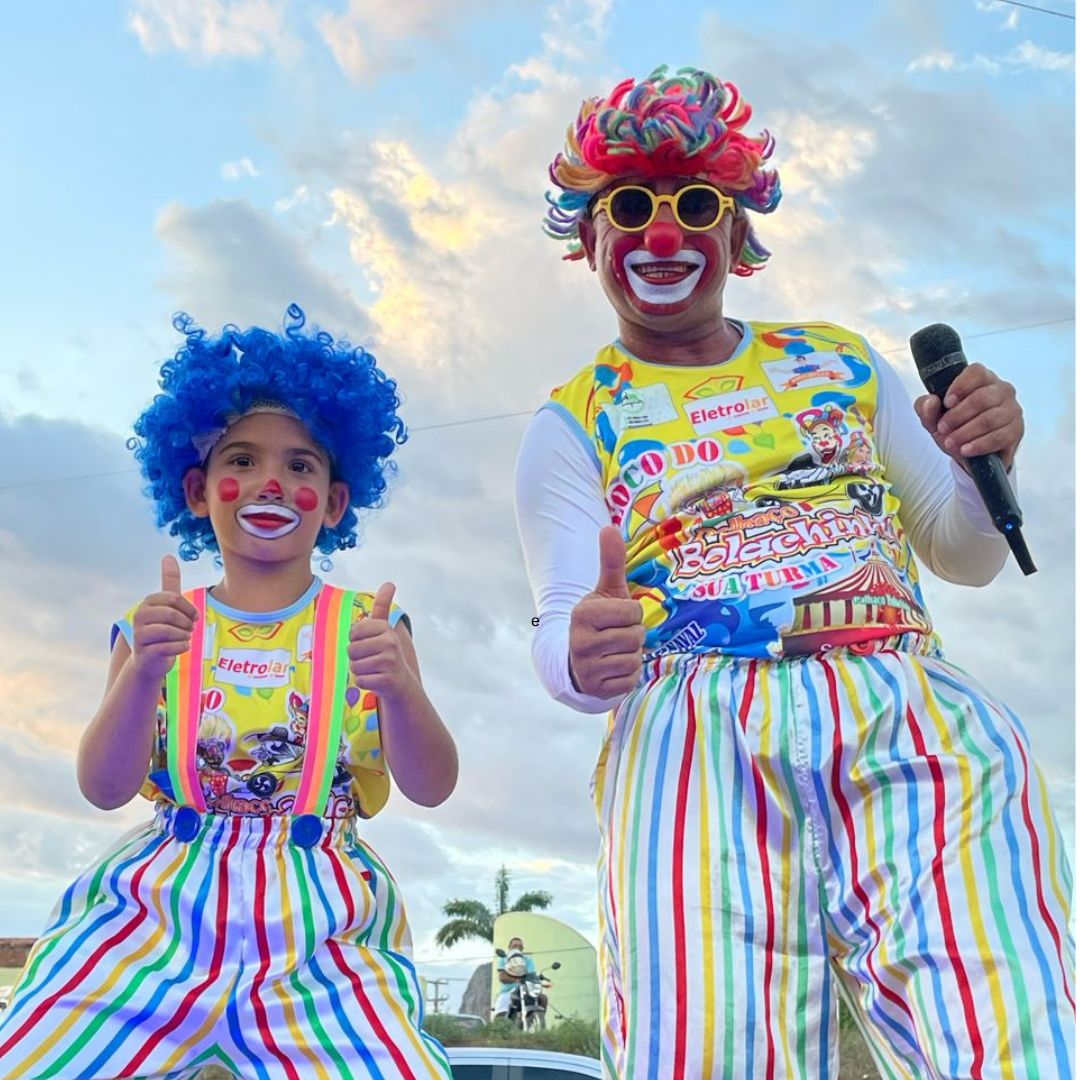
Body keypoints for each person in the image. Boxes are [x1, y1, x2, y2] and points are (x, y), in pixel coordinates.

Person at [515, 66, 1074, 1079]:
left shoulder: (842, 361)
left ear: (737, 232)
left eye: (696, 205)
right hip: (691, 729)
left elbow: (961, 554)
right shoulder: (571, 419)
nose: (663, 235)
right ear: (588, 239)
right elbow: (561, 630)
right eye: (629, 207)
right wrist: (581, 654)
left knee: (1008, 1021)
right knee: (705, 1045)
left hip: (900, 692)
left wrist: (982, 460)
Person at [0, 305, 457, 1080]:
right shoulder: (154, 627)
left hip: (319, 931)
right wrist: (144, 671)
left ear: (336, 504)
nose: (269, 482)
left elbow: (433, 785)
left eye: (301, 466)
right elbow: (104, 788)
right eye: (240, 460)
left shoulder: (372, 626)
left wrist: (402, 691)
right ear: (197, 489)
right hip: (155, 921)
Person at [493, 936, 546, 1021]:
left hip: (526, 991)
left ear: (522, 949)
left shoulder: (528, 961)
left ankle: (538, 1022)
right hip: (508, 992)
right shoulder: (504, 959)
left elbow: (531, 975)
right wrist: (518, 980)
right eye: (514, 946)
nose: (517, 948)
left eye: (520, 947)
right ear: (509, 948)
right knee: (501, 1016)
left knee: (543, 998)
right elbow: (502, 977)